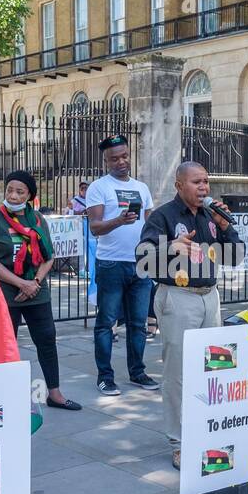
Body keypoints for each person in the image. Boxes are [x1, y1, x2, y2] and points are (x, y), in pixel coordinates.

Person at [137, 161, 244, 468]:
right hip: (178, 297)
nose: (203, 188)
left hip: (210, 297)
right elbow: (142, 257)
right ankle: (180, 442)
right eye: (196, 182)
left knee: (212, 369)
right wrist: (170, 246)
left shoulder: (213, 215)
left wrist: (227, 228)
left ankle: (206, 430)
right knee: (178, 374)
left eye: (206, 182)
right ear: (179, 185)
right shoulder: (163, 216)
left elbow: (235, 257)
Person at [0, 170, 81, 411]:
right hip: (7, 294)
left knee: (46, 339)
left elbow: (49, 256)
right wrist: (19, 283)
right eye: (9, 190)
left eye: (19, 191)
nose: (13, 196)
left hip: (36, 292)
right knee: (6, 345)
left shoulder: (37, 220)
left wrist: (34, 282)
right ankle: (2, 398)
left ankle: (54, 393)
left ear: (29, 195)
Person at [85, 135, 157, 395]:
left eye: (124, 156)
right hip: (111, 264)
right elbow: (95, 227)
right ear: (105, 161)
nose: (121, 162)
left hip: (140, 264)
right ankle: (105, 377)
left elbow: (152, 225)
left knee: (139, 323)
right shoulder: (98, 187)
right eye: (114, 158)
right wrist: (119, 220)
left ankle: (137, 372)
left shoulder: (142, 187)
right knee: (106, 322)